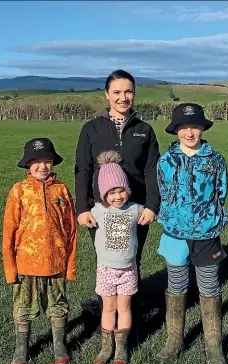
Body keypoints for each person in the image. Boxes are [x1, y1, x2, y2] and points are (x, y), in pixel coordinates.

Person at [74, 69, 160, 331]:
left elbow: (151, 169)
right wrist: (82, 207)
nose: (124, 97)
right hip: (101, 211)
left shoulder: (144, 130)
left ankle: (128, 317)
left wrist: (152, 206)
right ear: (107, 95)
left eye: (129, 91)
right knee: (106, 260)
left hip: (136, 210)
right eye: (117, 92)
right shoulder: (91, 129)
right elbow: (83, 169)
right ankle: (106, 316)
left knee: (133, 259)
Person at [155, 103, 228, 364]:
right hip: (175, 234)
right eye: (184, 127)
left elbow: (221, 193)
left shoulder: (216, 160)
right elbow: (163, 192)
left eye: (194, 126)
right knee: (176, 286)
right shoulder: (165, 161)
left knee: (209, 287)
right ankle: (174, 341)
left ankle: (214, 346)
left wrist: (208, 218)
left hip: (207, 234)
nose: (189, 132)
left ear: (202, 128)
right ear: (175, 130)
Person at [2, 138, 77, 364]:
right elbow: (8, 232)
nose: (43, 166)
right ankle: (21, 349)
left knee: (58, 306)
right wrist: (10, 268)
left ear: (53, 162)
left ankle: (59, 346)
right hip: (26, 263)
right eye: (36, 162)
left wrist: (70, 265)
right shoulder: (19, 191)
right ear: (28, 164)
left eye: (47, 161)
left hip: (56, 262)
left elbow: (71, 229)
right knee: (23, 308)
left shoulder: (61, 189)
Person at [90, 151, 144, 364]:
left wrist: (152, 211)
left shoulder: (135, 209)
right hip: (106, 270)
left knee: (125, 308)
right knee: (108, 308)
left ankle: (122, 348)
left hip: (128, 270)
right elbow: (82, 214)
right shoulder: (99, 211)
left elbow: (151, 212)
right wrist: (82, 216)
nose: (117, 196)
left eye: (121, 190)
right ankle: (106, 347)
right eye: (111, 192)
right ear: (103, 195)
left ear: (127, 191)